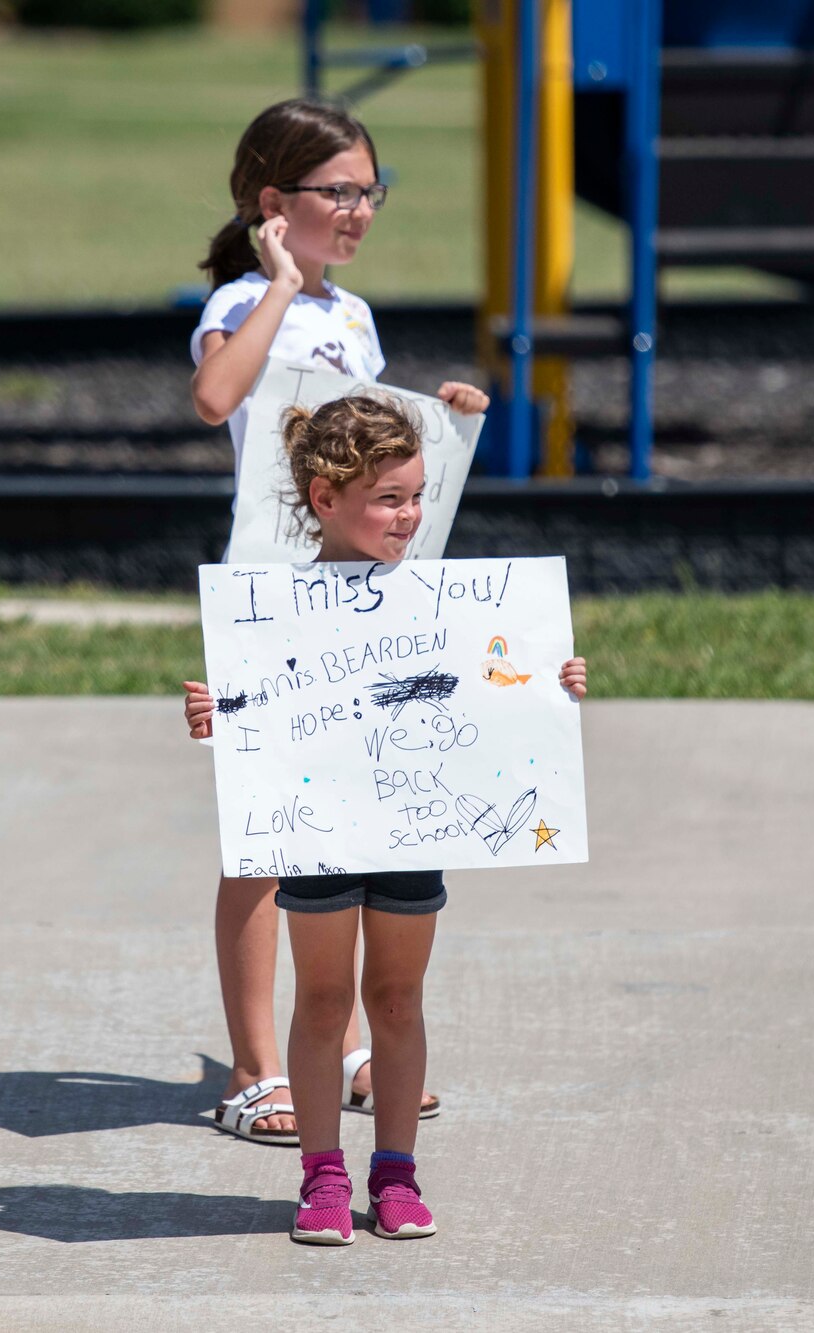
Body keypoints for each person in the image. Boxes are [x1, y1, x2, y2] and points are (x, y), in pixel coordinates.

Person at [183, 395, 587, 1243]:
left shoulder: (454, 603)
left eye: (416, 496)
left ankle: (395, 1172)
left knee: (398, 999)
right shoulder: (274, 606)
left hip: (416, 826)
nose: (408, 516)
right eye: (388, 498)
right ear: (324, 497)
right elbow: (256, 705)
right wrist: (220, 714)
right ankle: (323, 1176)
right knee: (324, 1000)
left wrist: (554, 684)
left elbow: (502, 690)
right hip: (317, 828)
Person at [190, 98, 490, 1144]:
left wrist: (440, 419)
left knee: (355, 820)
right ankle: (254, 1065)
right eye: (338, 193)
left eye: (370, 191)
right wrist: (276, 286)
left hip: (356, 601)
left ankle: (349, 1042)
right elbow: (215, 397)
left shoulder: (354, 318)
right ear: (274, 205)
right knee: (264, 841)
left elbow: (369, 440)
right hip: (268, 601)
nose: (359, 210)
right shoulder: (240, 297)